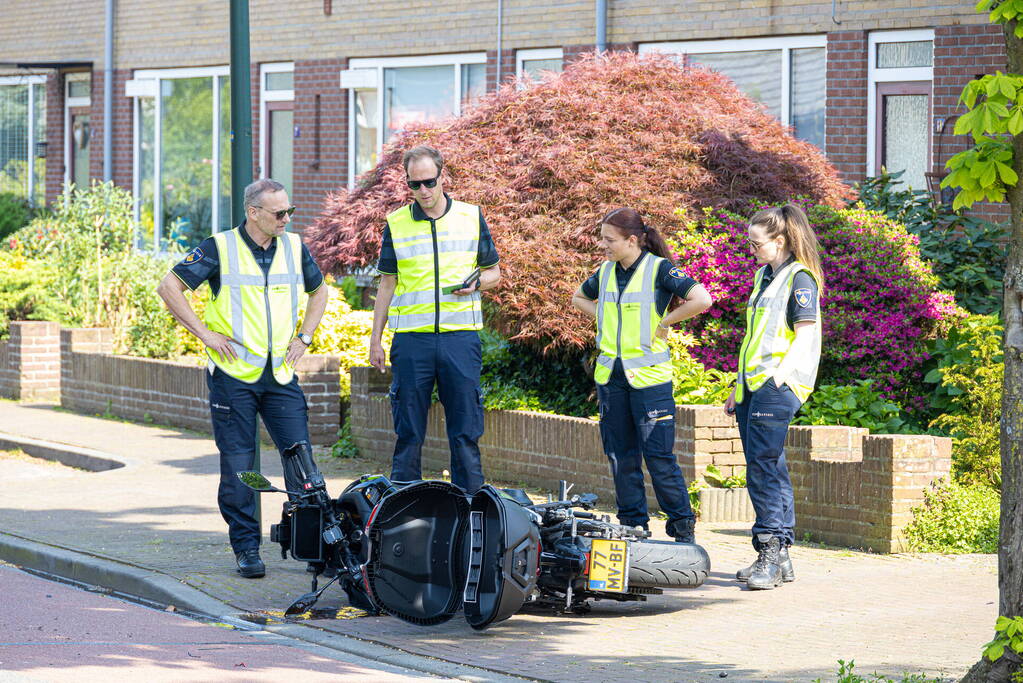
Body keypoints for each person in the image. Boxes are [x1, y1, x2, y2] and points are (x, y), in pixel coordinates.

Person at [156, 178, 328, 579]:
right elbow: (170, 287)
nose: (286, 218)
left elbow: (319, 292)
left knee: (301, 463)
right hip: (233, 376)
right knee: (239, 466)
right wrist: (205, 334)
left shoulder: (294, 246)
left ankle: (312, 546)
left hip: (280, 375)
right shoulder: (220, 248)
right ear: (254, 213)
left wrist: (305, 336)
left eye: (290, 211)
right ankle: (247, 548)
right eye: (279, 212)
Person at [571, 208, 713, 543]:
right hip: (612, 379)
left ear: (632, 240)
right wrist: (605, 319)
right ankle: (633, 526)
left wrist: (665, 323)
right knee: (621, 456)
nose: (602, 245)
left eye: (609, 240)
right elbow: (579, 298)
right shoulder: (605, 272)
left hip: (650, 380)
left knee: (659, 457)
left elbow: (701, 298)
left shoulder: (659, 269)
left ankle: (681, 527)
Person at [369, 145, 501, 493]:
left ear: (443, 177)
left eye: (429, 182)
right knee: (408, 430)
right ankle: (404, 509)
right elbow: (387, 283)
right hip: (412, 339)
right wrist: (375, 339)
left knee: (466, 431)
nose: (424, 191)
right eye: (415, 184)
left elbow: (494, 274)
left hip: (460, 338)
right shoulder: (396, 224)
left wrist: (476, 284)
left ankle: (472, 508)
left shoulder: (471, 217)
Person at [723, 203, 823, 590]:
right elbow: (756, 338)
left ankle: (769, 550)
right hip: (754, 385)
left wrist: (780, 377)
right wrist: (739, 386)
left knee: (762, 469)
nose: (752, 250)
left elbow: (806, 333)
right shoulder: (764, 277)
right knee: (769, 466)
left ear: (779, 240)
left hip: (778, 384)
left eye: (757, 243)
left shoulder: (800, 279)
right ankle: (781, 557)